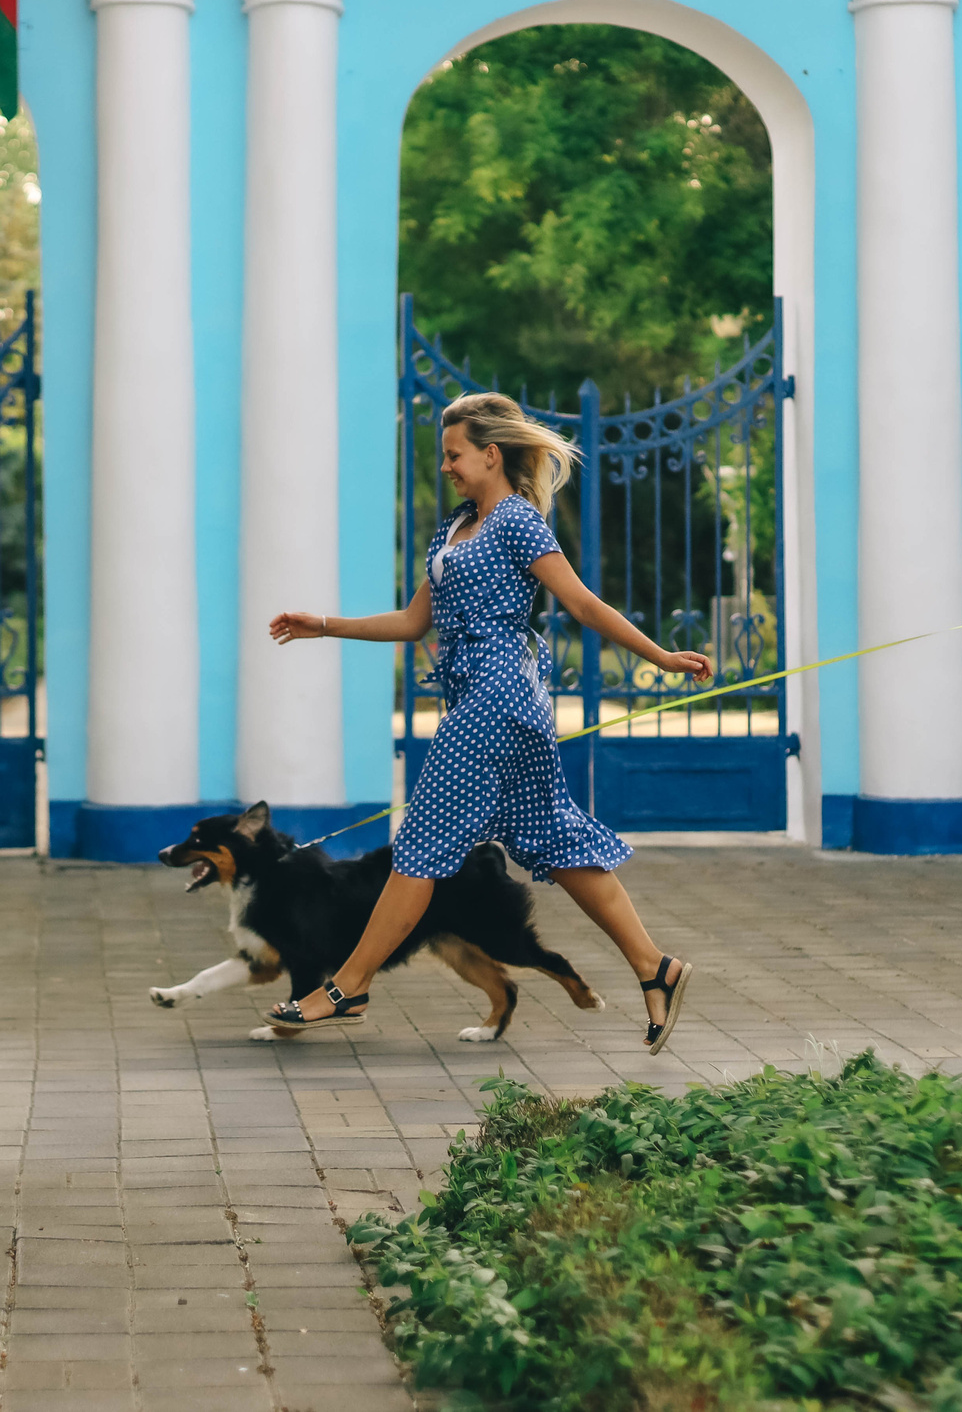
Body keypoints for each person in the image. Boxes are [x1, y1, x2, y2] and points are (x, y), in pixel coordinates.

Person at [263, 392, 711, 1054]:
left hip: (497, 701)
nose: (445, 466)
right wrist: (324, 625)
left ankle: (349, 986)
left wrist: (662, 657)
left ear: (491, 454)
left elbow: (582, 603)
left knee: (420, 845)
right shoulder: (454, 528)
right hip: (489, 703)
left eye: (454, 454)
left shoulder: (517, 521)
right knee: (553, 837)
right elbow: (414, 622)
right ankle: (656, 967)